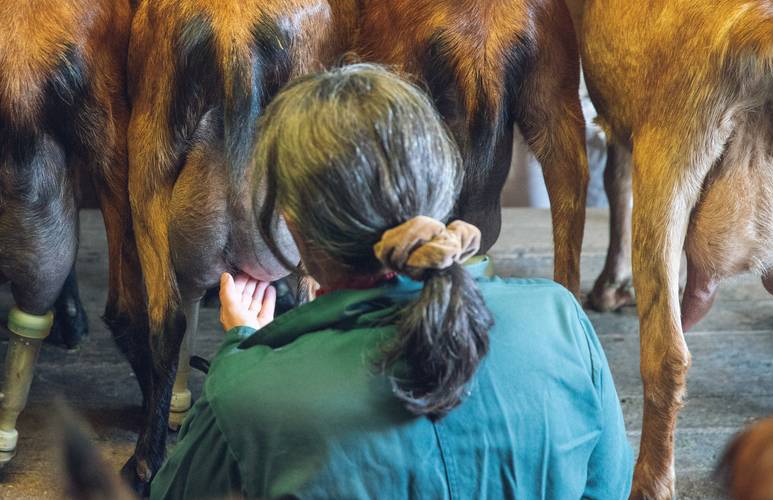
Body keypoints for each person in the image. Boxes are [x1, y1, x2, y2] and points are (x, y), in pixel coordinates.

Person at [150, 64, 633, 500]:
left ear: (294, 225)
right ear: (444, 186)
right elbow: (607, 489)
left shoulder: (244, 393)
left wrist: (247, 351)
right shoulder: (559, 318)